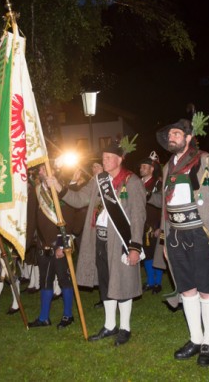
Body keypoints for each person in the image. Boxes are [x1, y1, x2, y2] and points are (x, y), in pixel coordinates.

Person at [155, 118, 209, 367]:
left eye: (176, 133)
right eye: (169, 134)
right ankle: (195, 339)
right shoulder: (167, 167)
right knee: (186, 289)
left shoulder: (207, 161)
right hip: (175, 234)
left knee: (206, 288)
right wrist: (164, 240)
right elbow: (165, 207)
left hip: (201, 233)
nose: (171, 137)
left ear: (187, 137)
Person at [48, 138, 146, 346]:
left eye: (110, 157)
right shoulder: (98, 179)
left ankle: (125, 327)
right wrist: (58, 186)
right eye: (104, 157)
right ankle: (110, 325)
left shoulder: (132, 181)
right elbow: (79, 199)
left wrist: (135, 246)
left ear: (120, 159)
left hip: (121, 239)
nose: (105, 160)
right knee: (106, 282)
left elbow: (138, 216)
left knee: (123, 283)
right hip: (99, 238)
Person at [27, 164, 76, 329]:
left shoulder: (62, 190)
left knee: (64, 280)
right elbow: (31, 219)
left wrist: (63, 244)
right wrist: (26, 243)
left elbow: (69, 220)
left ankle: (68, 315)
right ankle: (43, 318)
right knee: (45, 281)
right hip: (43, 245)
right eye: (39, 170)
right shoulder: (37, 192)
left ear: (53, 170)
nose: (40, 172)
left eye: (43, 169)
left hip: (60, 245)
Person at [139, 151, 163, 294]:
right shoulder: (136, 182)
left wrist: (160, 226)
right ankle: (150, 281)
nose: (141, 168)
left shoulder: (158, 183)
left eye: (144, 166)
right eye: (141, 166)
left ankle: (158, 283)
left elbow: (163, 205)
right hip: (141, 224)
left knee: (157, 254)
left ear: (152, 168)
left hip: (155, 225)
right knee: (146, 254)